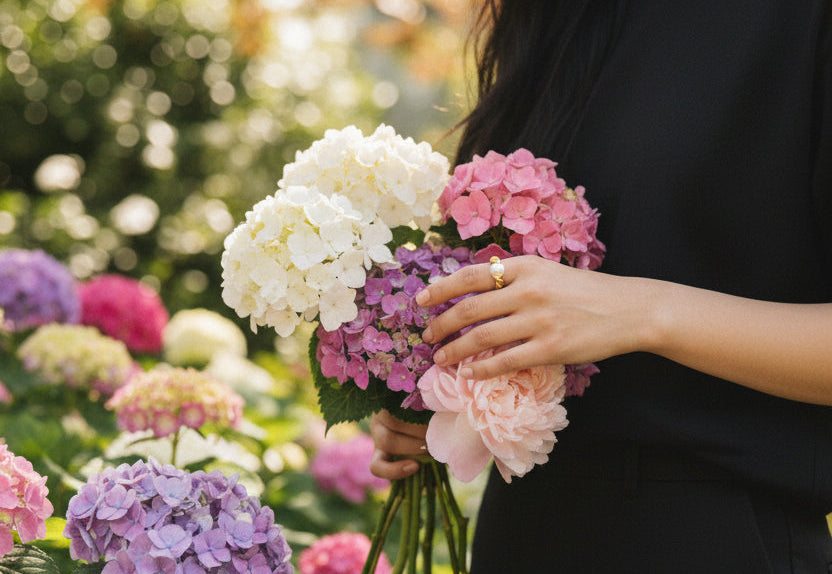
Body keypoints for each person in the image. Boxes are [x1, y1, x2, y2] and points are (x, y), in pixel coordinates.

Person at [368, 0, 832, 572]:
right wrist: (438, 393)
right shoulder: (551, 16)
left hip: (712, 537)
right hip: (523, 532)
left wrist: (642, 312)